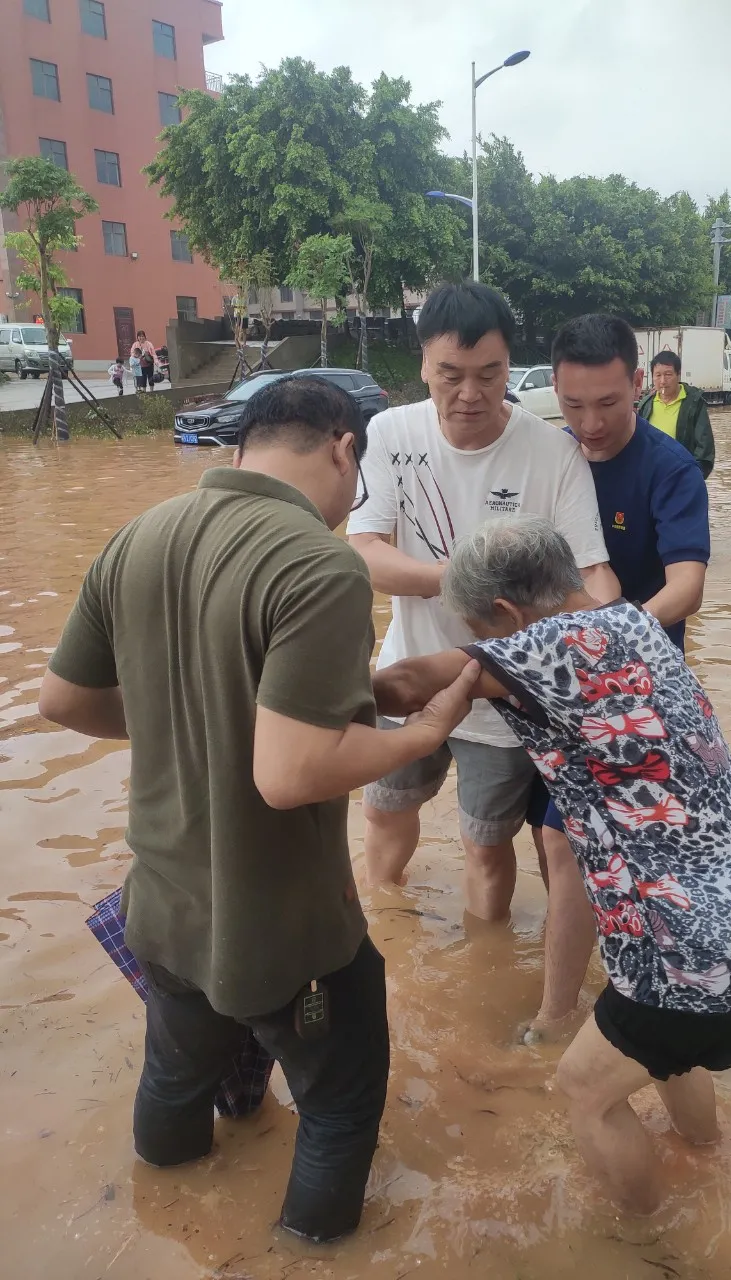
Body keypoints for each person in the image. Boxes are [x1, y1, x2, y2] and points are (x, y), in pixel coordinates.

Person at [37, 376, 479, 1243]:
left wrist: (190, 720)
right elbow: (290, 774)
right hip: (282, 930)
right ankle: (306, 1258)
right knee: (341, 1107)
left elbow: (62, 699)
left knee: (174, 1078)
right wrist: (423, 731)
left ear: (243, 445)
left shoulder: (139, 535)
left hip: (161, 909)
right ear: (344, 447)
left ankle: (162, 1218)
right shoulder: (320, 561)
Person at [374, 515, 731, 1213]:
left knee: (586, 1090)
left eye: (484, 630)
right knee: (668, 1051)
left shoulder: (538, 648)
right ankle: (708, 1162)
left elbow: (397, 685)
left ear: (509, 613)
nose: (488, 646)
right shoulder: (632, 620)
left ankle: (647, 1238)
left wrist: (274, 698)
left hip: (698, 944)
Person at [346, 282, 618, 923]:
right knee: (385, 810)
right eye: (450, 375)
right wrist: (464, 581)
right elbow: (365, 551)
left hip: (504, 693)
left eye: (489, 375)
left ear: (510, 368)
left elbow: (592, 573)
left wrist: (619, 639)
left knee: (486, 844)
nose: (469, 394)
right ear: (423, 365)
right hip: (409, 670)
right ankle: (386, 933)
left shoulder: (552, 453)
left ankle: (484, 959)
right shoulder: (389, 433)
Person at [526, 315, 711, 1037]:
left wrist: (616, 637)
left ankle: (560, 1015)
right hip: (557, 689)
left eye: (608, 403)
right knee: (561, 844)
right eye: (572, 406)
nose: (590, 423)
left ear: (639, 384)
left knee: (571, 844)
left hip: (642, 694)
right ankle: (577, 985)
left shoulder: (669, 469)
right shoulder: (549, 459)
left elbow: (686, 585)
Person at [637, 350, 716, 478]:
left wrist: (692, 479)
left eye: (668, 374)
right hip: (652, 478)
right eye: (658, 375)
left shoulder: (694, 403)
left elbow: (705, 449)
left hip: (681, 477)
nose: (662, 381)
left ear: (678, 375)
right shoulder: (646, 405)